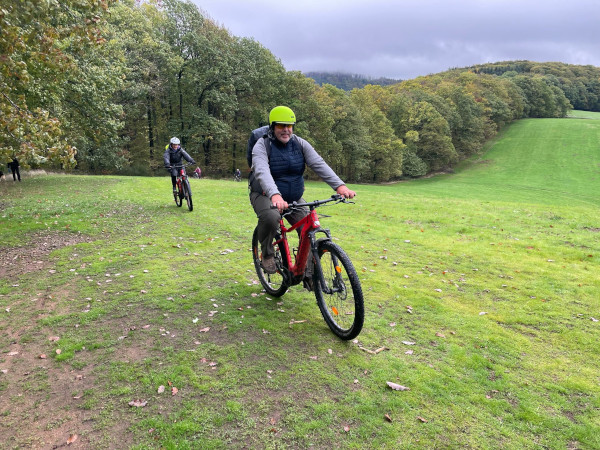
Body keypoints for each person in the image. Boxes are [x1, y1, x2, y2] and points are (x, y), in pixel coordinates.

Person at [249, 106, 356, 274]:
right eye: (281, 126)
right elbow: (262, 171)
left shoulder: (299, 144)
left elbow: (318, 164)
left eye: (289, 126)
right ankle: (267, 254)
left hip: (293, 197)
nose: (286, 130)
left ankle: (307, 273)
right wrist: (275, 195)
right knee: (271, 217)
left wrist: (339, 186)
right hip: (264, 194)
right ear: (272, 127)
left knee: (309, 228)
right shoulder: (262, 145)